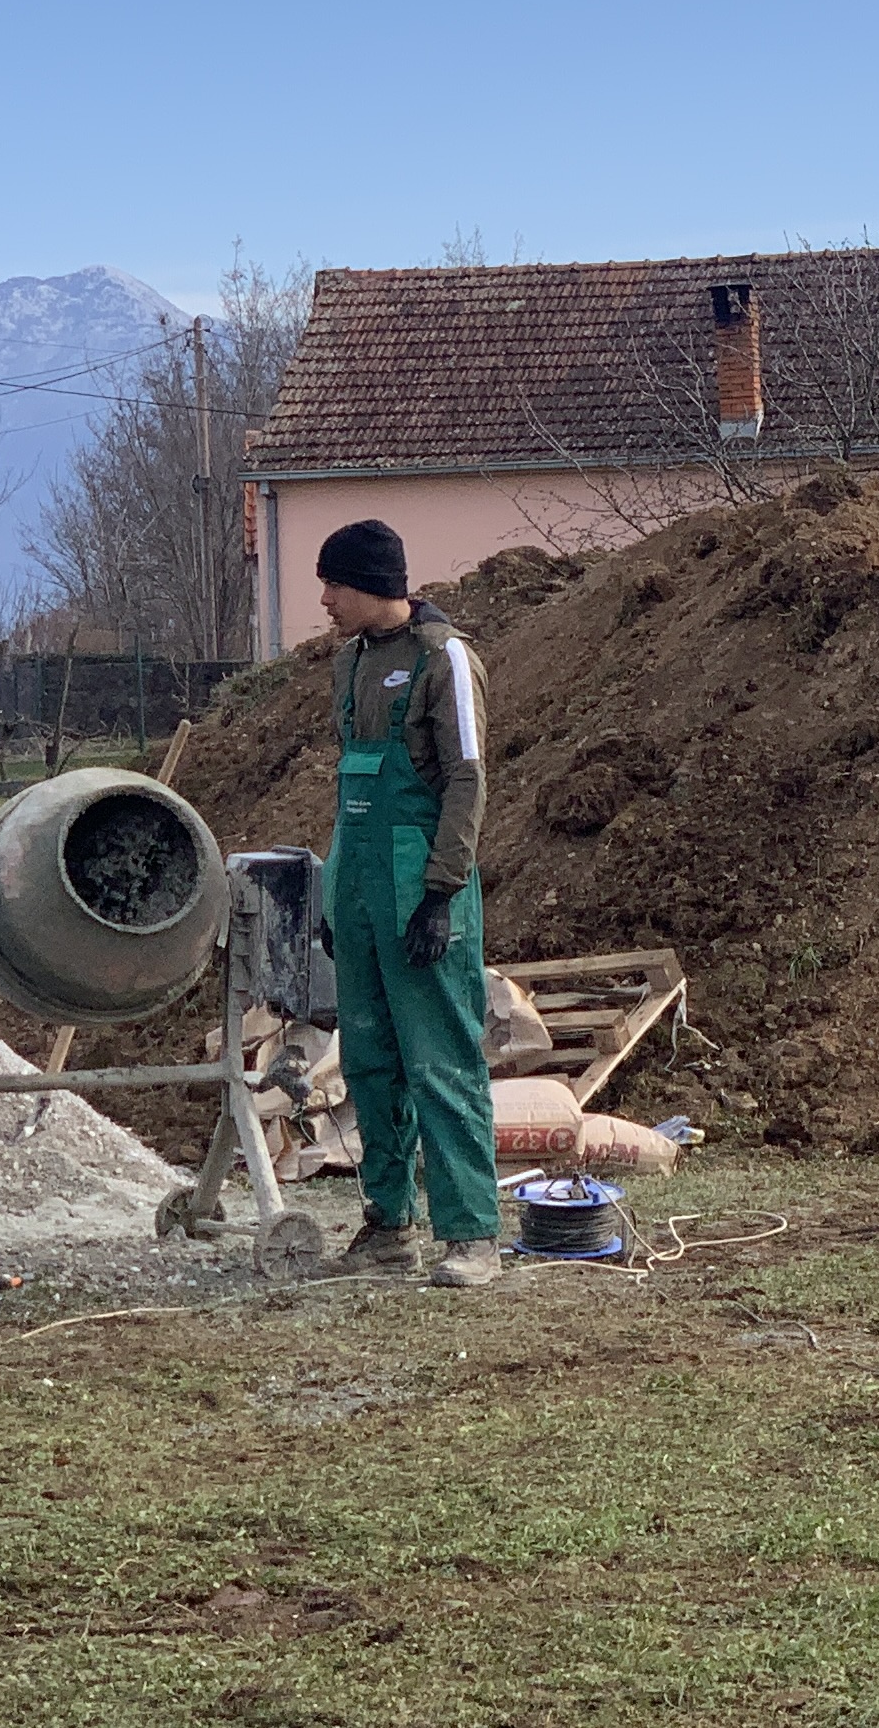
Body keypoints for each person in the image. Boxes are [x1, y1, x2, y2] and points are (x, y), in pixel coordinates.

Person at [315, 519, 506, 1288]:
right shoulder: (350, 664)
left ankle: (472, 1235)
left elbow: (467, 779)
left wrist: (440, 895)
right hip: (360, 891)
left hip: (421, 890)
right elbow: (349, 789)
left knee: (442, 1060)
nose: (325, 600)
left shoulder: (444, 658)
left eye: (333, 584)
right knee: (369, 1061)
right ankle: (388, 1224)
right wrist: (334, 894)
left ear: (371, 584)